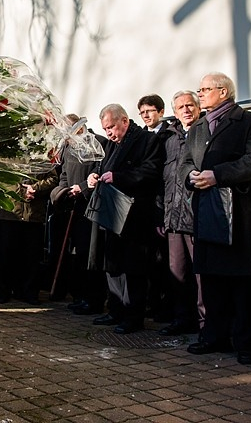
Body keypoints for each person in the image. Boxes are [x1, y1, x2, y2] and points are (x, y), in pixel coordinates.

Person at [181, 72, 251, 365]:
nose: (200, 93)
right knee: (211, 281)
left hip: (240, 216)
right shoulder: (196, 129)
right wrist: (190, 176)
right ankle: (214, 336)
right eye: (200, 89)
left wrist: (217, 175)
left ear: (224, 91)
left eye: (205, 89)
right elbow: (184, 163)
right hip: (207, 211)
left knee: (242, 283)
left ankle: (246, 344)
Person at [85, 103, 162, 334]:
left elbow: (150, 171)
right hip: (111, 213)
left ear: (125, 121)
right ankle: (116, 309)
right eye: (105, 128)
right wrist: (94, 177)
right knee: (113, 264)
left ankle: (133, 316)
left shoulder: (146, 140)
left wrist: (118, 176)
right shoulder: (111, 144)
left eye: (112, 127)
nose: (109, 132)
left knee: (133, 268)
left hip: (135, 216)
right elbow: (103, 168)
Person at [156, 90, 205, 337]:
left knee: (201, 276)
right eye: (181, 107)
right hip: (173, 217)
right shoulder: (169, 139)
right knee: (177, 272)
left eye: (190, 105)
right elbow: (161, 179)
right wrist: (161, 214)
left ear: (197, 108)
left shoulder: (205, 132)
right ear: (174, 112)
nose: (186, 110)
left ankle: (205, 323)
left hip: (197, 217)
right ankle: (181, 319)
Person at [50, 114, 108, 315]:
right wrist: (63, 192)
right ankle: (80, 295)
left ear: (79, 129)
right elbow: (64, 175)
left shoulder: (99, 143)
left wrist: (81, 188)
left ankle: (94, 299)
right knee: (77, 254)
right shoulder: (68, 148)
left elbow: (99, 174)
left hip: (92, 207)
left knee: (91, 254)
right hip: (73, 207)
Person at [0, 167, 58, 305]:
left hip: (33, 214)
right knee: (5, 255)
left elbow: (53, 179)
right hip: (9, 212)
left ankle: (28, 292)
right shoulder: (5, 152)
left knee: (32, 256)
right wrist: (21, 192)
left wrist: (36, 188)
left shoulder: (43, 153)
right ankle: (3, 291)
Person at [138, 94, 174, 324]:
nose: (146, 116)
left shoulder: (168, 135)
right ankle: (151, 303)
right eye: (142, 113)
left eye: (150, 111)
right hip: (146, 205)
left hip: (162, 202)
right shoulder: (142, 136)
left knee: (164, 260)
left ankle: (164, 306)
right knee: (149, 259)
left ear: (160, 111)